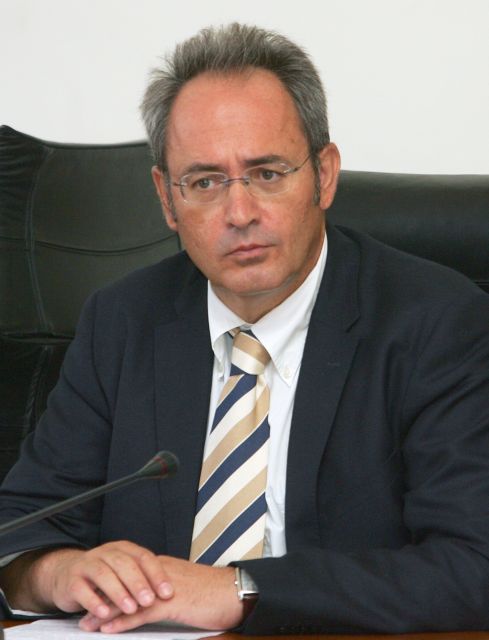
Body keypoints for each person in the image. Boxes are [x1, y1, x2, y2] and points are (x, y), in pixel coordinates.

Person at [1, 22, 489, 636]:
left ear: (324, 174)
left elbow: (472, 565)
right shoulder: (122, 322)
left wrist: (240, 589)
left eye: (267, 173)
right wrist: (56, 573)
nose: (239, 213)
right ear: (166, 199)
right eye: (205, 182)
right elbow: (21, 526)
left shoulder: (437, 323)